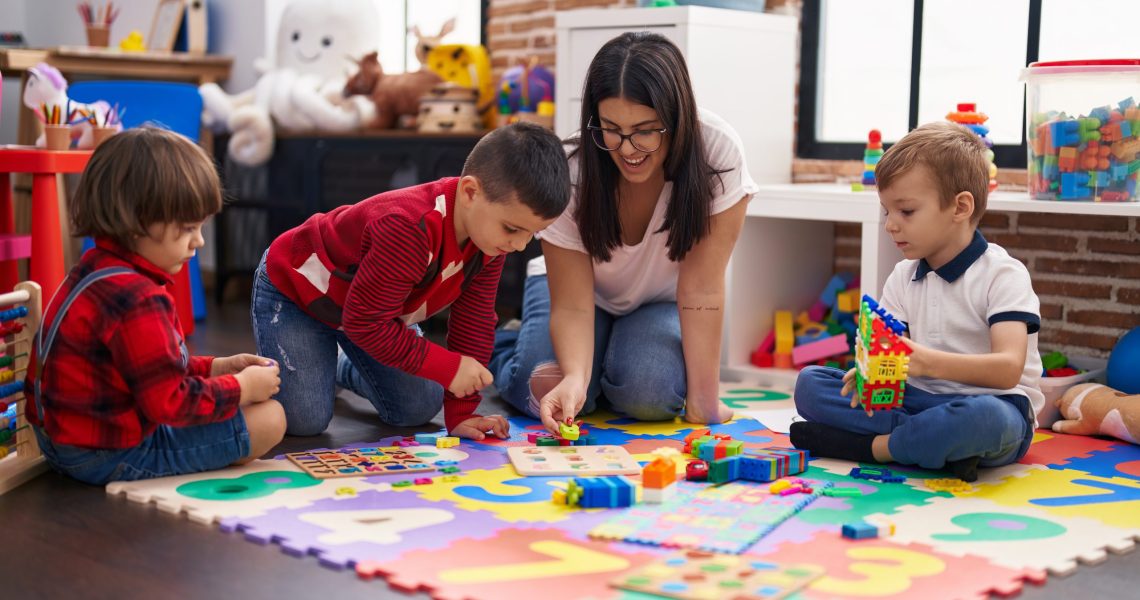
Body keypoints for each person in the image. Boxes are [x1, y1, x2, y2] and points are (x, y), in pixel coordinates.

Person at [488, 32, 758, 434]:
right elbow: (575, 306)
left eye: (646, 130)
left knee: (649, 394)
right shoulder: (574, 167)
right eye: (612, 128)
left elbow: (701, 288)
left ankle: (602, 359)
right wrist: (576, 379)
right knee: (548, 391)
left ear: (676, 118)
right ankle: (509, 344)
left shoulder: (717, 152)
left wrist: (703, 403)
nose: (628, 148)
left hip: (659, 303)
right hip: (577, 299)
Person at [252, 122, 570, 440]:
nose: (519, 245)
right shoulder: (407, 228)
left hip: (370, 312)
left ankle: (338, 366)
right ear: (471, 192)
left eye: (532, 233)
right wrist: (448, 367)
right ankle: (302, 362)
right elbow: (366, 323)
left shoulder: (490, 239)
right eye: (513, 229)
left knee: (419, 406)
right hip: (297, 294)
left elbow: (474, 322)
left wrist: (462, 413)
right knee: (305, 420)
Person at [25, 127, 285, 485]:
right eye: (188, 228)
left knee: (246, 407)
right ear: (137, 222)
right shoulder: (138, 298)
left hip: (59, 440)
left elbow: (147, 370)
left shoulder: (94, 267)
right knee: (270, 418)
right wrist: (241, 388)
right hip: (103, 454)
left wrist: (218, 368)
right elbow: (169, 403)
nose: (199, 241)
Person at [790, 121, 1043, 482]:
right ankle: (929, 445)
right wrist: (869, 378)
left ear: (960, 207)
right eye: (886, 212)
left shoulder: (1003, 274)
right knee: (811, 384)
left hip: (995, 406)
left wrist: (926, 363)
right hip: (916, 402)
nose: (891, 225)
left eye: (905, 211)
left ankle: (871, 448)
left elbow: (1008, 369)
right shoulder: (903, 276)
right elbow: (890, 360)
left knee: (983, 420)